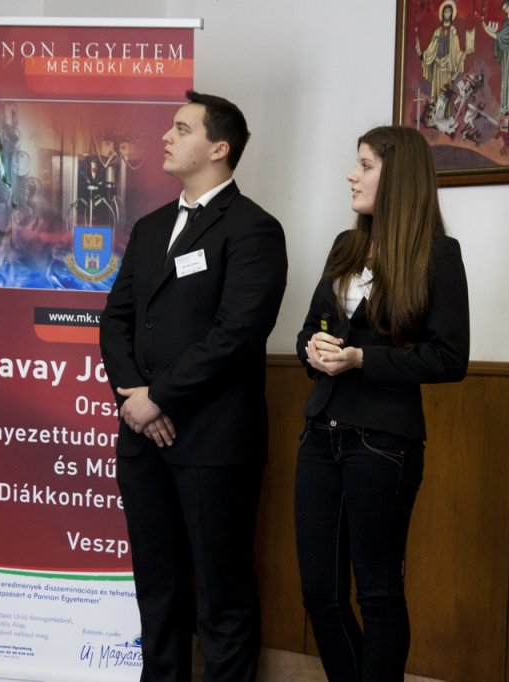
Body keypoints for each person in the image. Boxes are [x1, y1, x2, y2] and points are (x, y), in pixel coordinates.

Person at [99, 90, 287, 682]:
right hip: (143, 441)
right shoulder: (151, 227)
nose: (166, 136)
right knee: (157, 591)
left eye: (182, 129)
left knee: (223, 596)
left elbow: (237, 334)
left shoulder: (254, 229)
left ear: (219, 147)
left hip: (213, 444)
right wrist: (135, 397)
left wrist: (159, 398)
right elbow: (115, 320)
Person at [294, 125, 469, 681]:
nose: (352, 175)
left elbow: (449, 358)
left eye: (365, 165)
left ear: (399, 177)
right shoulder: (344, 247)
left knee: (378, 592)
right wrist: (313, 349)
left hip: (383, 442)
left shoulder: (438, 254)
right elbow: (309, 333)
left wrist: (362, 359)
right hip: (320, 434)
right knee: (319, 593)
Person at [416, 0, 470, 111]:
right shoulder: (437, 32)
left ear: (452, 14)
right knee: (437, 92)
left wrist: (462, 55)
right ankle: (436, 113)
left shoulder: (453, 32)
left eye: (449, 12)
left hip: (447, 67)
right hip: (437, 66)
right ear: (442, 14)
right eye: (445, 12)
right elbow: (431, 49)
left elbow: (456, 51)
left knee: (446, 92)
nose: (447, 14)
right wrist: (422, 55)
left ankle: (446, 114)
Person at [482, 0, 509, 118]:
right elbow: (502, 39)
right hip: (506, 54)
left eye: (506, 7)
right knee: (506, 79)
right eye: (504, 8)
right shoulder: (506, 22)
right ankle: (505, 105)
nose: (505, 10)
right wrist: (493, 33)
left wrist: (487, 30)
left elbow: (504, 37)